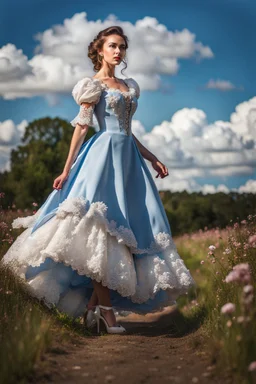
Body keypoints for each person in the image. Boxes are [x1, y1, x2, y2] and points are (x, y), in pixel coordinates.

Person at [2, 26, 196, 334]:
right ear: (99, 51)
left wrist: (152, 157)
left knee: (127, 234)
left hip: (130, 162)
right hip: (101, 159)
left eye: (122, 47)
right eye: (113, 46)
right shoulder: (92, 86)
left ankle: (93, 308)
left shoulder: (129, 85)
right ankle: (106, 312)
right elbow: (81, 128)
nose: (118, 52)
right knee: (98, 230)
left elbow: (128, 132)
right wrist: (66, 170)